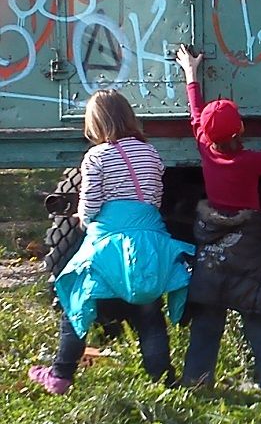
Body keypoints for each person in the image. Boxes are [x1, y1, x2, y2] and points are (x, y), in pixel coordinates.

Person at [29, 90, 194, 394]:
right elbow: (154, 198)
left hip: (107, 245)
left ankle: (60, 376)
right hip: (149, 243)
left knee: (77, 303)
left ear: (96, 122)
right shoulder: (151, 153)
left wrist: (82, 219)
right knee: (149, 314)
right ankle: (164, 381)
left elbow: (90, 206)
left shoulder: (97, 157)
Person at [175, 45, 261, 395]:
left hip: (212, 248)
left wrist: (191, 73)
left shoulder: (205, 149)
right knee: (259, 316)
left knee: (207, 317)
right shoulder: (251, 162)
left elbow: (195, 114)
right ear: (242, 130)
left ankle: (196, 384)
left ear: (207, 133)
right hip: (248, 247)